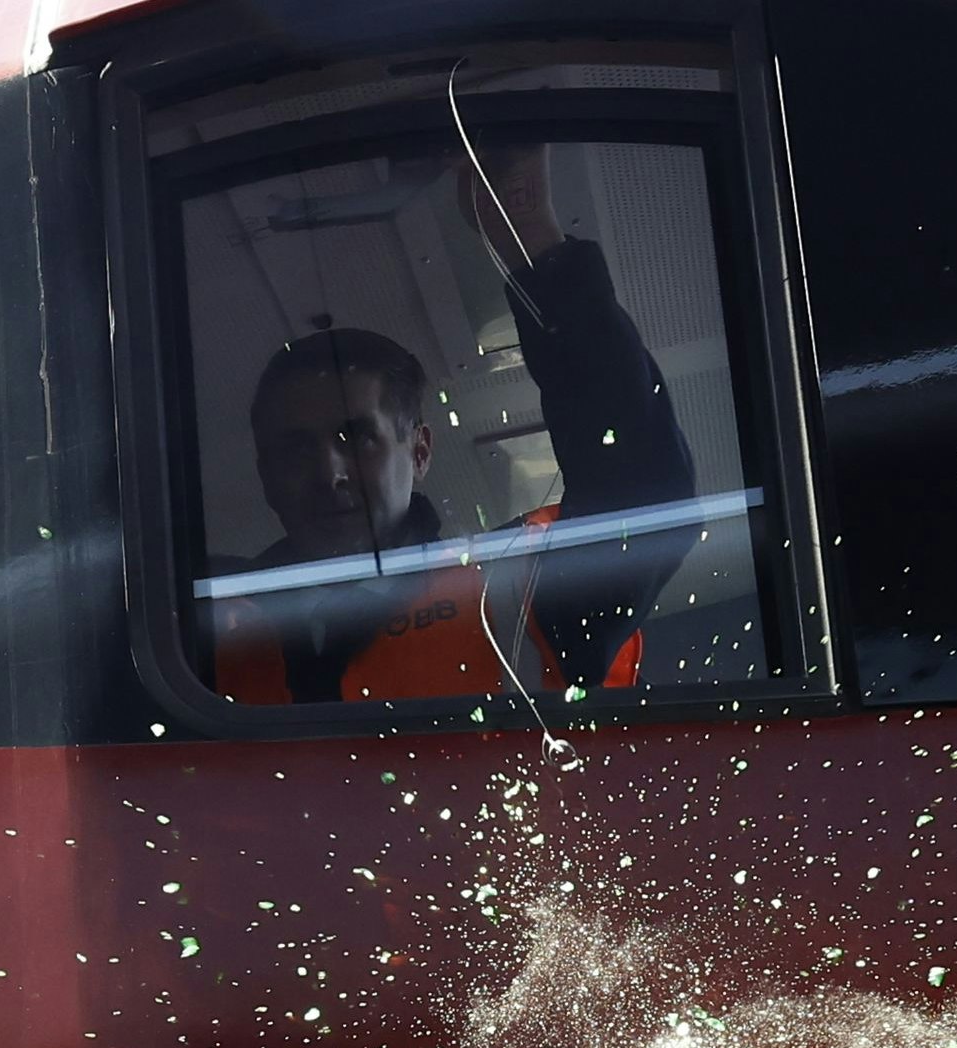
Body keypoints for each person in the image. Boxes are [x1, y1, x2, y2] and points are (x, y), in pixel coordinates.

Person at [212, 145, 697, 707]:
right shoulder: (195, 629)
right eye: (295, 449)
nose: (329, 473)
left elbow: (644, 490)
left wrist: (528, 238)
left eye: (356, 437)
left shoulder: (518, 592)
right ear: (265, 475)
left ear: (419, 453)